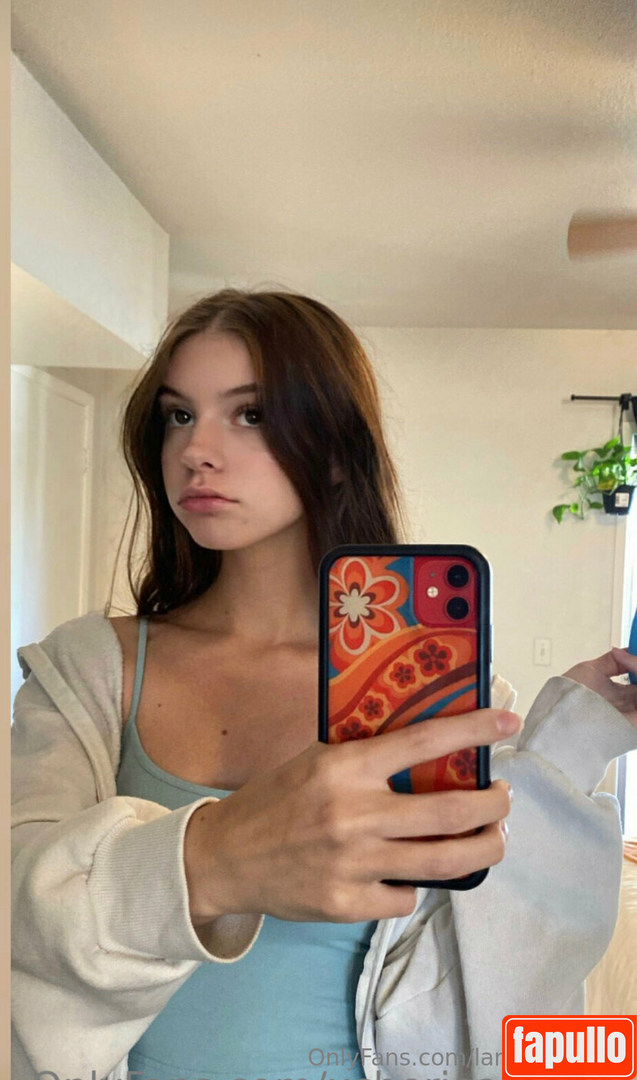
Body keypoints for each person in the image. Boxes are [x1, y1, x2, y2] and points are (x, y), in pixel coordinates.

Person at [11, 289, 637, 1080]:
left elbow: (495, 971)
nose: (196, 449)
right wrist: (216, 859)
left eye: (250, 414)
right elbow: (18, 905)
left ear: (337, 450)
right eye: (178, 415)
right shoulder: (91, 669)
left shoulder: (432, 698)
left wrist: (568, 741)